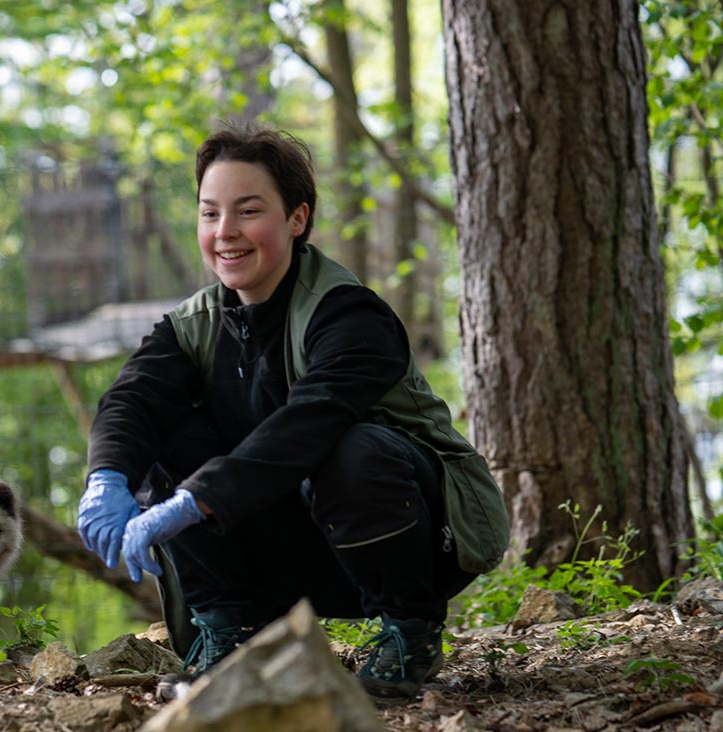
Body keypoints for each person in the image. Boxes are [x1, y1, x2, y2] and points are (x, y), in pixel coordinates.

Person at [77, 120, 509, 705]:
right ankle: (229, 631)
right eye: (209, 213)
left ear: (297, 219)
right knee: (156, 434)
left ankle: (410, 630)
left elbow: (307, 423)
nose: (225, 232)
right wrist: (105, 480)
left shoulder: (353, 316)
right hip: (278, 545)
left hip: (409, 537)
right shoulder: (192, 323)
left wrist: (192, 500)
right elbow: (130, 399)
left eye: (248, 211)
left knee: (352, 449)